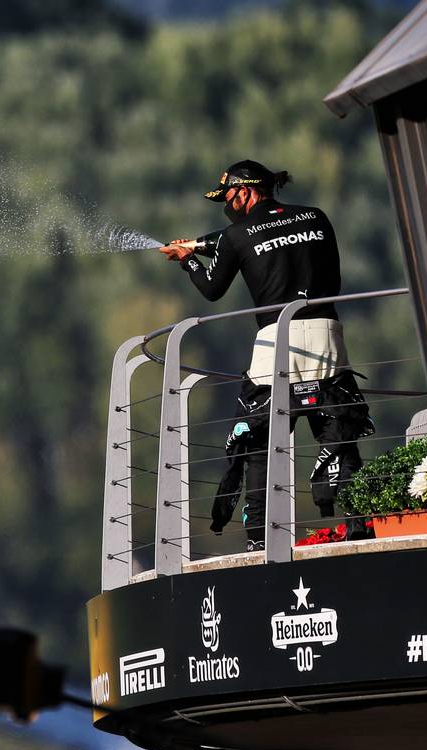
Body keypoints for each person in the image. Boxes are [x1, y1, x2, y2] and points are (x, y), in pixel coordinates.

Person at [159, 160, 372, 546]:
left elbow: (212, 287)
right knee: (339, 435)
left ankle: (260, 541)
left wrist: (187, 259)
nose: (226, 204)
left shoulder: (237, 236)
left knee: (257, 446)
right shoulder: (315, 216)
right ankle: (360, 527)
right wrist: (198, 243)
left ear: (244, 192)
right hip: (327, 333)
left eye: (227, 196)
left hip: (276, 341)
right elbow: (255, 238)